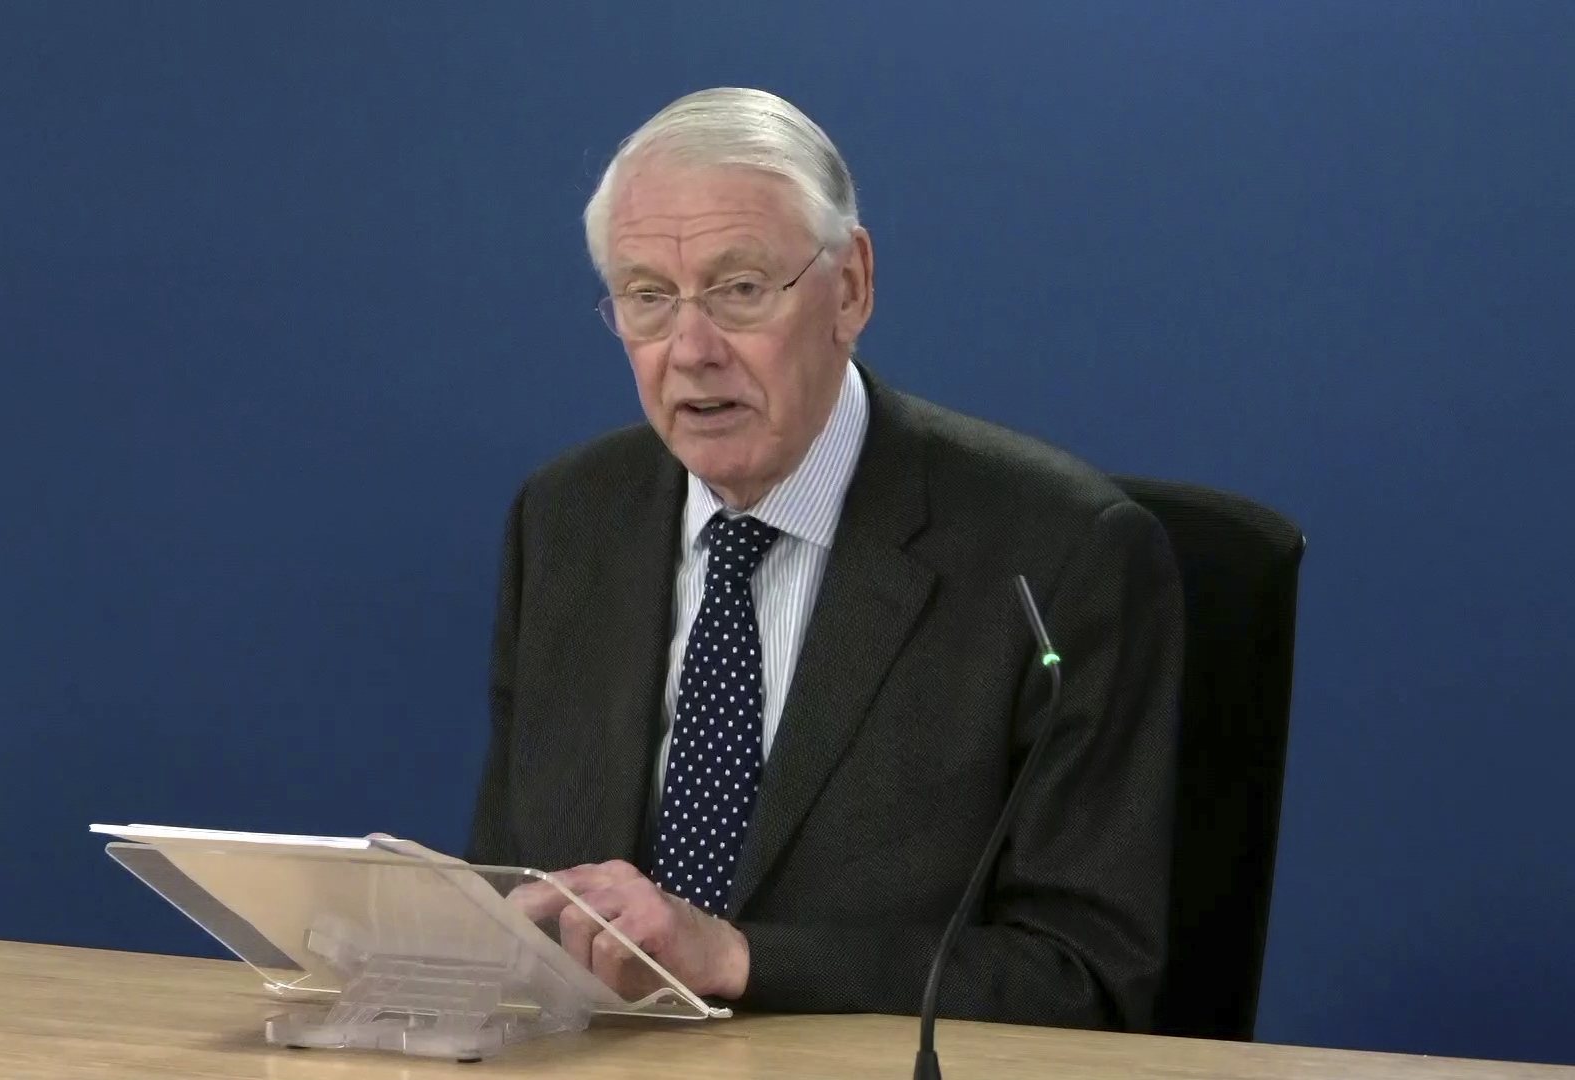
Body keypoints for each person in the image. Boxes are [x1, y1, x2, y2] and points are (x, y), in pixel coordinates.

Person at [466, 87, 1184, 1032]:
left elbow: (1085, 978)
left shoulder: (1062, 557)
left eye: (740, 290)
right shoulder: (566, 522)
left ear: (850, 289)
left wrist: (735, 956)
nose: (691, 349)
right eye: (648, 298)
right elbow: (509, 895)